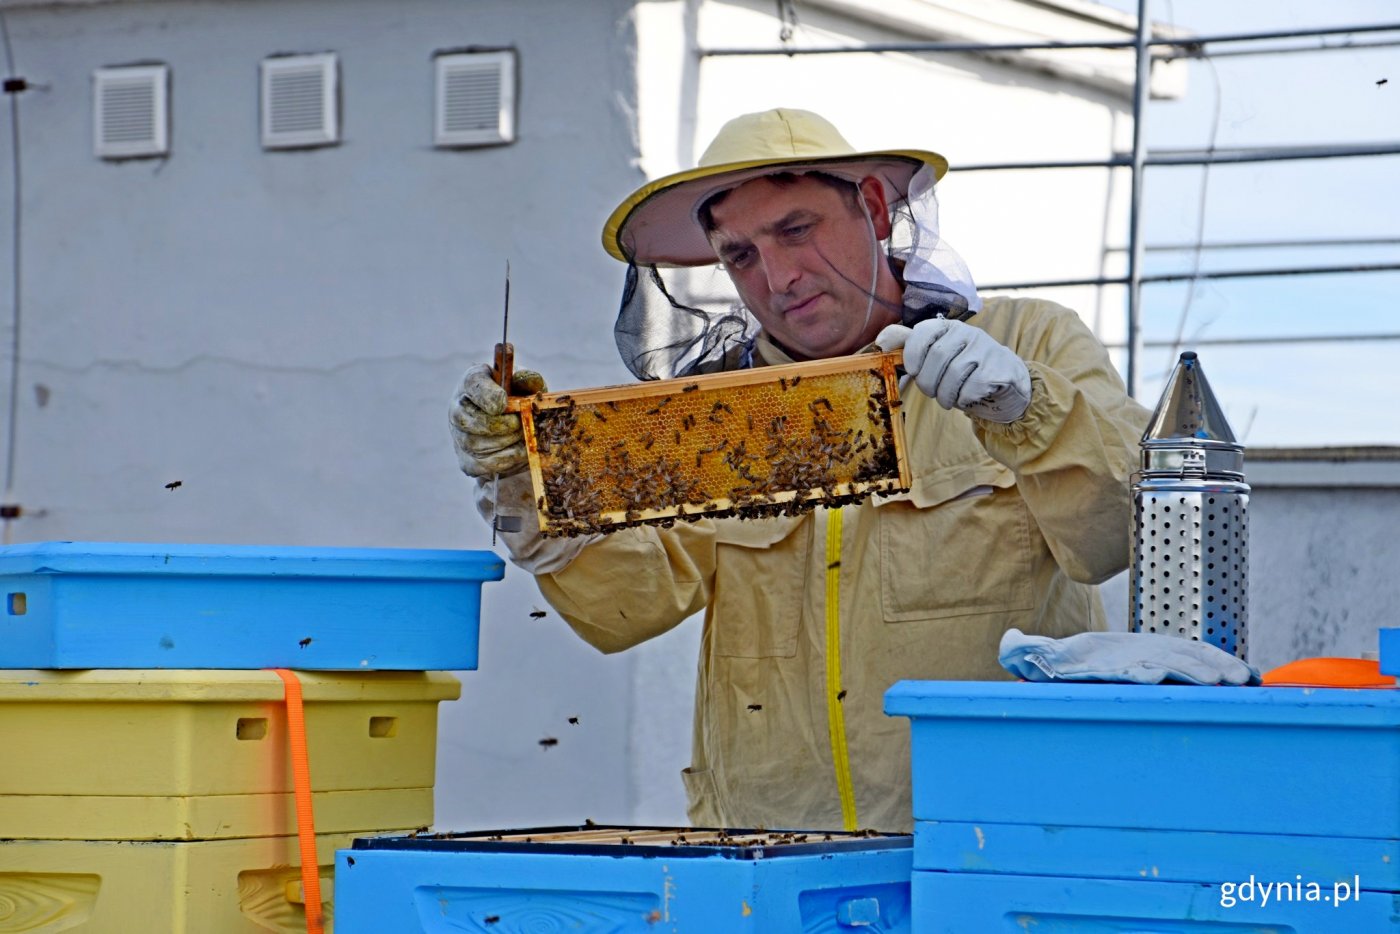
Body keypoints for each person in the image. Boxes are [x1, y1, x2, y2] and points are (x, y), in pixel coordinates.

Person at [450, 108, 1150, 833]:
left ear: (875, 208)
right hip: (772, 846)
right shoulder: (724, 414)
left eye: (796, 229)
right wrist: (529, 497)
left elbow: (1113, 536)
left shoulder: (1032, 339)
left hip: (1000, 839)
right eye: (741, 256)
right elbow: (628, 604)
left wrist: (1028, 409)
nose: (778, 276)